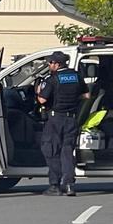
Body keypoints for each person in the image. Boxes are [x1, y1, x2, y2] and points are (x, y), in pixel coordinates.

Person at [37, 51, 90, 196]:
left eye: (50, 63)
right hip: (71, 119)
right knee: (67, 152)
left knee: (52, 150)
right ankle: (69, 186)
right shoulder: (76, 76)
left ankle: (55, 185)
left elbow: (42, 100)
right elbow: (86, 95)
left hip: (55, 119)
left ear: (56, 64)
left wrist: (38, 91)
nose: (49, 65)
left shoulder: (53, 79)